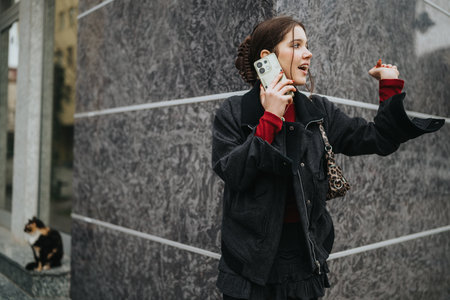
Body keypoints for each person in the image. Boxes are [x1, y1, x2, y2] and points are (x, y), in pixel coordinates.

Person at [211, 16, 444, 300]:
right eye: (296, 45)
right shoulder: (234, 113)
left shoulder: (317, 110)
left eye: (308, 45)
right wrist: (270, 118)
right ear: (267, 58)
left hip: (304, 263)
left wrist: (389, 87)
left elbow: (379, 139)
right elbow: (233, 172)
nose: (308, 53)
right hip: (249, 269)